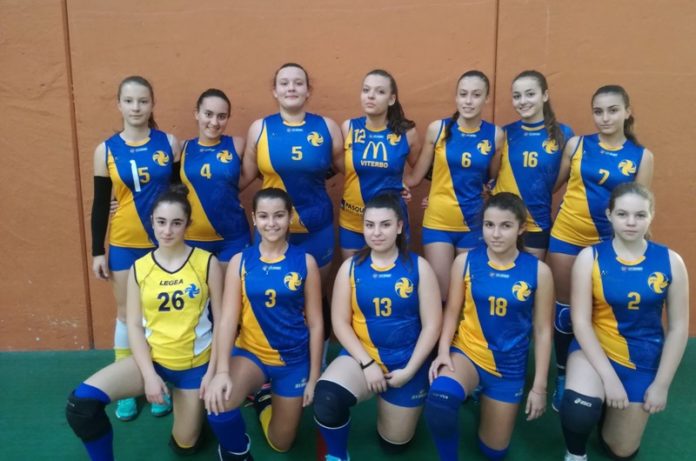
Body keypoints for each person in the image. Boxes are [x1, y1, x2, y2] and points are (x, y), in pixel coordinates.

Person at [66, 185, 223, 459]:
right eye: (161, 222)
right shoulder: (140, 268)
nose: (167, 230)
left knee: (185, 446)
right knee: (81, 406)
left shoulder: (206, 262)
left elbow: (222, 322)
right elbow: (135, 326)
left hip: (195, 366)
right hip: (154, 360)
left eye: (176, 223)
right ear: (152, 221)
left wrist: (214, 372)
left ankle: (196, 415)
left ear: (188, 224)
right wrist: (150, 376)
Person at [560, 183, 688, 461]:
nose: (631, 222)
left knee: (621, 451)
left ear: (651, 215)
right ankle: (575, 453)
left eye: (640, 215)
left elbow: (679, 328)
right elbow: (580, 323)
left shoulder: (671, 261)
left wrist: (662, 384)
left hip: (642, 356)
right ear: (610, 215)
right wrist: (608, 379)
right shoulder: (590, 258)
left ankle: (606, 411)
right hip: (595, 349)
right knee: (579, 410)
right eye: (622, 214)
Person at [547, 85, 654, 411]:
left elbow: (640, 207)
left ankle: (603, 373)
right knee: (566, 309)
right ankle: (564, 373)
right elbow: (550, 186)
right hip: (567, 236)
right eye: (598, 111)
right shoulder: (577, 145)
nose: (605, 118)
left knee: (602, 309)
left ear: (627, 112)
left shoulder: (641, 156)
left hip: (609, 244)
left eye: (612, 110)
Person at [425, 192, 554, 461]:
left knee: (494, 452)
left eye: (505, 226)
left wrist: (539, 387)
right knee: (440, 401)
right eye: (489, 225)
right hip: (468, 354)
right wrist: (443, 351)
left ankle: (484, 397)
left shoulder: (538, 271)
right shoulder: (465, 262)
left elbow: (543, 331)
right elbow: (452, 312)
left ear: (521, 228)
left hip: (508, 366)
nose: (495, 234)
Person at [314, 193, 442, 461]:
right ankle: (337, 456)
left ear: (399, 226)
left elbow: (432, 326)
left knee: (394, 445)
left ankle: (409, 403)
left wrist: (409, 371)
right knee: (327, 398)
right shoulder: (350, 268)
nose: (376, 232)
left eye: (385, 224)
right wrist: (367, 363)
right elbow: (340, 322)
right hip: (363, 356)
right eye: (370, 225)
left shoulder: (419, 268)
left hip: (406, 361)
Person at [205, 188, 323, 461]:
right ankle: (239, 453)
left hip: (292, 360)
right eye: (264, 216)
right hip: (251, 354)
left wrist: (314, 377)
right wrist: (221, 370)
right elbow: (227, 320)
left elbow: (316, 324)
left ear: (290, 217)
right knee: (218, 404)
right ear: (254, 218)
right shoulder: (240, 261)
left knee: (281, 444)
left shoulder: (305, 262)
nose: (271, 223)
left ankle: (263, 400)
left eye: (279, 215)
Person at [90, 75, 181, 420]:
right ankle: (126, 389)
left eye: (143, 101)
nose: (136, 107)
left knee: (160, 312)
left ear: (152, 103)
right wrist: (97, 251)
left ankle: (158, 382)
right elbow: (101, 204)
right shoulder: (105, 150)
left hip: (164, 243)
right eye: (129, 101)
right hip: (125, 243)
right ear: (119, 104)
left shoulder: (168, 143)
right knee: (127, 315)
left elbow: (178, 194)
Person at [405, 70, 504, 302]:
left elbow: (494, 179)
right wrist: (385, 181)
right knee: (440, 294)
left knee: (469, 295)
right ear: (456, 97)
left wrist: (489, 190)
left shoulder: (495, 135)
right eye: (463, 94)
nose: (468, 101)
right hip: (438, 221)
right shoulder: (437, 129)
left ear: (487, 98)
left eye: (476, 95)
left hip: (474, 222)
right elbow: (415, 177)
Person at [492, 70, 574, 260]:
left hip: (536, 222)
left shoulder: (564, 134)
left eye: (530, 94)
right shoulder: (504, 133)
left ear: (545, 95)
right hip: (501, 220)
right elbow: (488, 175)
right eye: (517, 96)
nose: (523, 101)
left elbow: (558, 182)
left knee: (530, 276)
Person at [339, 69, 421, 260]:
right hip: (353, 219)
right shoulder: (348, 128)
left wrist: (405, 183)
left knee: (394, 274)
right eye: (366, 90)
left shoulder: (407, 134)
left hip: (390, 221)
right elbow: (337, 166)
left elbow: (420, 169)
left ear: (391, 99)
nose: (371, 95)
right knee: (354, 275)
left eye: (380, 91)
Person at [181, 88, 250, 267]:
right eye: (208, 114)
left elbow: (260, 171)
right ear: (196, 113)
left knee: (232, 286)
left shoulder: (238, 144)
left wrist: (227, 189)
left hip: (233, 238)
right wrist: (115, 199)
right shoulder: (181, 148)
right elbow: (157, 181)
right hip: (192, 238)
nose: (214, 122)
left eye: (221, 116)